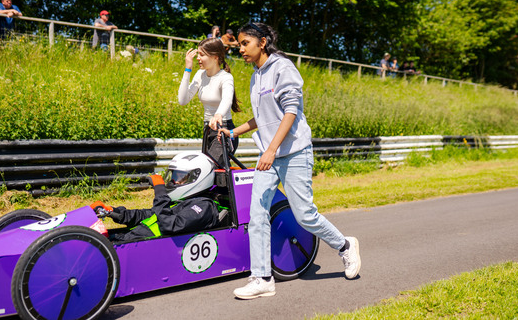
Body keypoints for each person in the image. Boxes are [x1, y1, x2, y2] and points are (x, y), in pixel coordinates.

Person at [218, 22, 361, 300]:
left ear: (261, 42)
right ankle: (262, 278)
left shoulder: (283, 68)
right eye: (238, 43)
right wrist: (234, 131)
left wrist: (271, 149)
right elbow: (262, 117)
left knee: (304, 214)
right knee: (257, 215)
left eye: (245, 43)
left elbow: (291, 112)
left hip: (293, 152)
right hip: (269, 156)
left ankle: (345, 246)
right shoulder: (255, 76)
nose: (240, 48)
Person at [91, 153, 221, 241]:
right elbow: (149, 215)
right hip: (132, 239)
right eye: (173, 176)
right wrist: (114, 212)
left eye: (180, 178)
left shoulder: (203, 207)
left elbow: (170, 225)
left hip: (141, 246)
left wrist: (160, 190)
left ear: (198, 178)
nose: (173, 182)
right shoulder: (183, 201)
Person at [178, 37, 241, 165]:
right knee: (209, 172)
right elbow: (182, 100)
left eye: (202, 55)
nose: (197, 58)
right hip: (207, 129)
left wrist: (218, 115)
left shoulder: (226, 77)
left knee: (212, 167)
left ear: (215, 57)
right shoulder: (200, 75)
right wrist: (187, 69)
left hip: (224, 129)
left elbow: (227, 99)